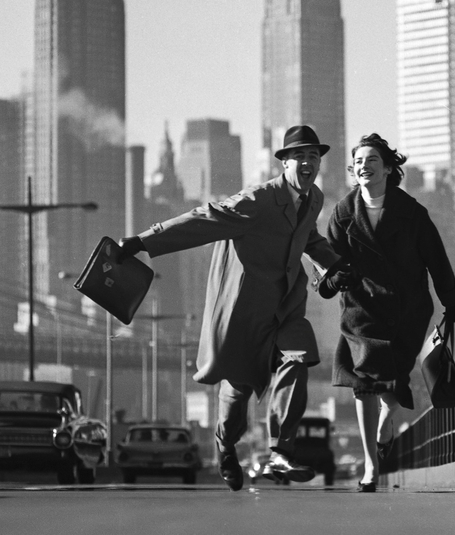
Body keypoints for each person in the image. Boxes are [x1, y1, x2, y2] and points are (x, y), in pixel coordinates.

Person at [118, 125, 342, 491]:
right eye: (299, 156)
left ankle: (280, 452)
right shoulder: (258, 199)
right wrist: (143, 241)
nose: (308, 163)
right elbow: (204, 219)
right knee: (238, 392)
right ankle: (225, 445)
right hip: (245, 311)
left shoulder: (313, 198)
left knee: (298, 359)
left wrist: (334, 264)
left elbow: (309, 238)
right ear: (284, 162)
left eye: (313, 157)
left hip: (286, 308)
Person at [316, 133, 455, 492]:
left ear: (387, 169)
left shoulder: (412, 213)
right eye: (358, 162)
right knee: (363, 384)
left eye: (372, 160)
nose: (364, 166)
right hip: (361, 311)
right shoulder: (343, 213)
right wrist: (333, 281)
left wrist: (450, 300)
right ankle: (371, 465)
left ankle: (386, 422)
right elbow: (327, 263)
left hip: (407, 310)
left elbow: (436, 259)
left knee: (394, 383)